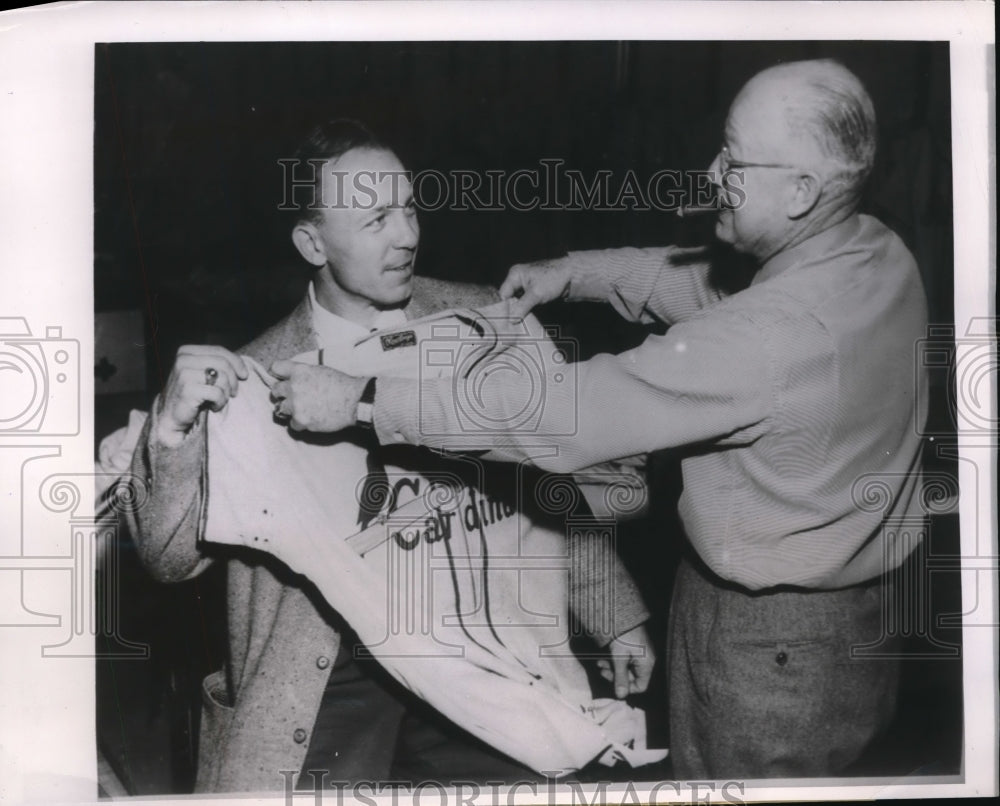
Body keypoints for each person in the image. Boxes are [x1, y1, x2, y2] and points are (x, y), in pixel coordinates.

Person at [271, 61, 930, 778]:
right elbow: (701, 283)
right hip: (853, 631)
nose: (711, 172)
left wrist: (365, 400)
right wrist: (574, 272)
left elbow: (563, 417)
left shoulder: (771, 334)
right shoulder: (878, 252)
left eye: (735, 161)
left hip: (770, 652)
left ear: (801, 191)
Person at [126, 120, 654, 793]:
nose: (406, 234)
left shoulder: (478, 322)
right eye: (376, 218)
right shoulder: (257, 374)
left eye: (408, 207)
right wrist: (170, 431)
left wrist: (616, 615)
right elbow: (170, 560)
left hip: (484, 668)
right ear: (312, 242)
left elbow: (537, 481)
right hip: (330, 681)